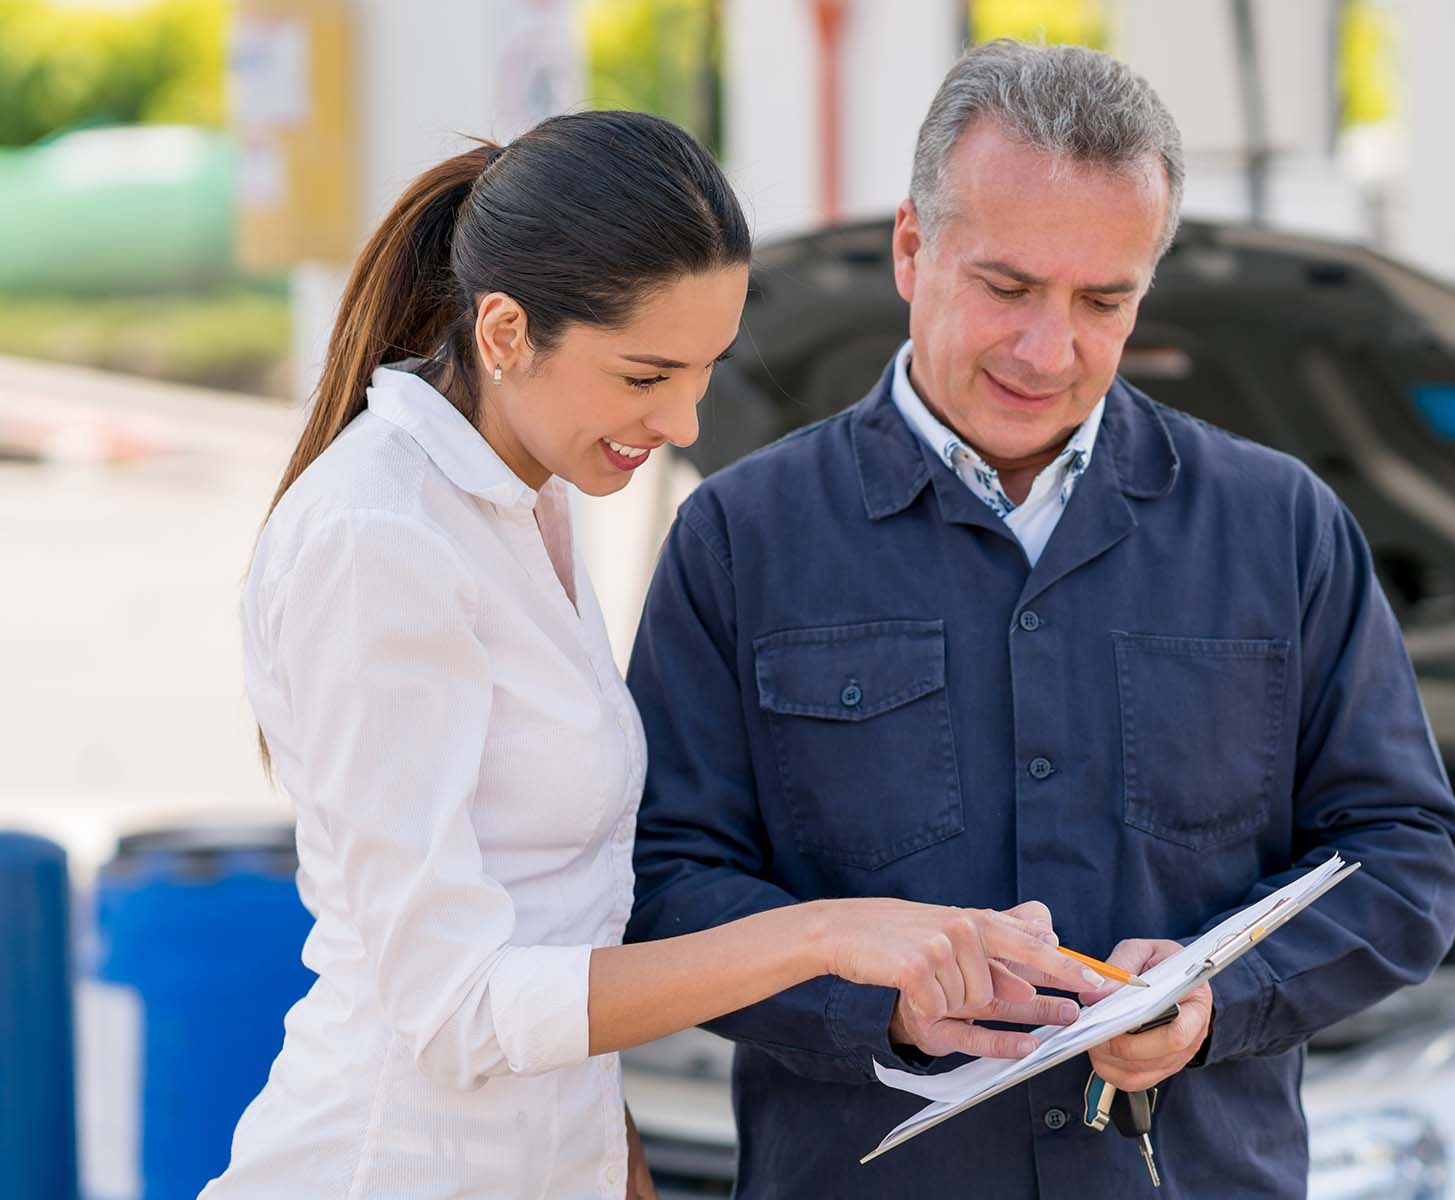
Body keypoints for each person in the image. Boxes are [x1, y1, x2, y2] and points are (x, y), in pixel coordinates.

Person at [624, 41, 1455, 1199]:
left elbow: (1406, 857)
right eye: (1007, 287)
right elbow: (666, 881)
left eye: (1102, 301)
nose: (1047, 349)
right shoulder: (740, 538)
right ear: (913, 251)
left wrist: (1216, 1001)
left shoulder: (1279, 528)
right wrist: (885, 1001)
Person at [201, 110, 1103, 1200]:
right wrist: (820, 936)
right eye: (643, 376)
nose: (680, 421)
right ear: (501, 333)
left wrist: (618, 1165)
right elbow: (453, 1009)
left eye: (705, 370)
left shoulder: (526, 493)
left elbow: (559, 918)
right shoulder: (377, 535)